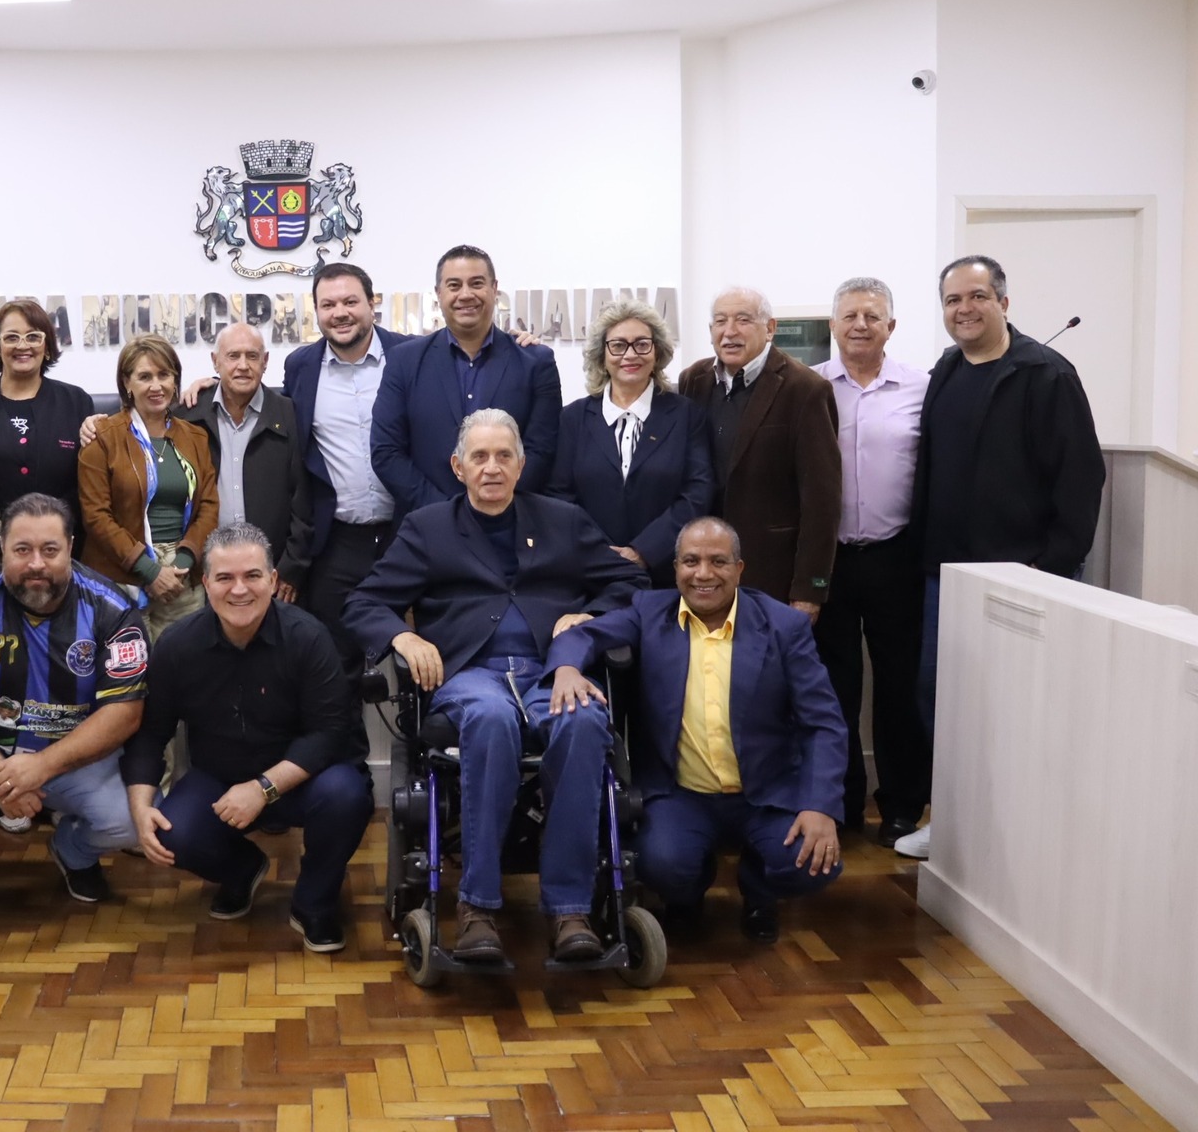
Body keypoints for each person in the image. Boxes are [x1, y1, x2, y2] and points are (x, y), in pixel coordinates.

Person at [344, 410, 645, 963]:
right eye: (479, 457)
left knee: (583, 722)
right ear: (458, 467)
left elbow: (631, 583)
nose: (491, 467)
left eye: (503, 455)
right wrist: (403, 639)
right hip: (469, 676)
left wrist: (588, 619)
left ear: (521, 464)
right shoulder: (429, 527)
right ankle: (477, 907)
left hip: (550, 670)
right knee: (490, 718)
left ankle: (570, 909)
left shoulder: (563, 520)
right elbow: (363, 602)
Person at [546, 518, 847, 943]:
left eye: (717, 561)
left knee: (815, 860)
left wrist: (820, 806)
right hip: (681, 794)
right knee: (661, 864)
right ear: (675, 569)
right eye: (691, 561)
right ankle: (687, 893)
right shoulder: (650, 613)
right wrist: (566, 669)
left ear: (740, 569)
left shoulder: (783, 627)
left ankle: (758, 888)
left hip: (767, 794)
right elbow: (585, 635)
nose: (703, 573)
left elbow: (824, 722)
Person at [898, 255, 1104, 860]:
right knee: (941, 697)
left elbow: (1080, 478)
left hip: (1026, 575)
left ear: (1004, 303)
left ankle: (1020, 838)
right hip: (946, 575)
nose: (964, 309)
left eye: (977, 297)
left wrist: (1055, 567)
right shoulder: (946, 370)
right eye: (953, 300)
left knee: (1019, 708)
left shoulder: (1046, 374)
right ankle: (956, 823)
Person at [0, 493, 147, 948]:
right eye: (22, 550)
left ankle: (73, 851)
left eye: (49, 550)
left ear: (71, 547)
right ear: (1, 546)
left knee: (133, 819)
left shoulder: (114, 609)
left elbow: (125, 713)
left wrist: (39, 768)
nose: (36, 563)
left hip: (71, 760)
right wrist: (1, 776)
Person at [129, 523, 371, 952]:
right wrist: (139, 807)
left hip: (304, 780)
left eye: (252, 576)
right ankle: (241, 870)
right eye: (224, 578)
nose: (239, 590)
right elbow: (150, 734)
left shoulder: (309, 638)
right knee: (171, 830)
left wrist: (263, 789)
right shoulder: (177, 646)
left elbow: (330, 734)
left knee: (348, 794)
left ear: (273, 581)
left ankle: (313, 902)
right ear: (205, 584)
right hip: (221, 780)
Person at [812, 278, 931, 845]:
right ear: (833, 324)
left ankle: (903, 805)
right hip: (827, 559)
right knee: (833, 687)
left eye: (873, 316)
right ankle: (840, 804)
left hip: (896, 556)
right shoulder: (809, 388)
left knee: (899, 686)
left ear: (891, 326)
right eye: (850, 315)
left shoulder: (922, 389)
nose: (860, 324)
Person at [677, 287, 841, 618]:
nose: (730, 331)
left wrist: (809, 589)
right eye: (720, 321)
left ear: (770, 328)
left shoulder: (805, 389)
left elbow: (821, 501)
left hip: (771, 574)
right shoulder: (693, 381)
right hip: (702, 574)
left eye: (743, 320)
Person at [280, 263, 413, 667]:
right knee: (336, 667)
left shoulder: (412, 354)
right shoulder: (300, 366)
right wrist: (208, 387)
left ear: (372, 304)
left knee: (419, 657)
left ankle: (416, 731)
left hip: (409, 534)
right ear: (316, 312)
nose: (340, 312)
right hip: (336, 543)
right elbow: (268, 407)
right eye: (328, 304)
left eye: (351, 301)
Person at [370, 245, 563, 519]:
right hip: (427, 529)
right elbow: (386, 452)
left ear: (495, 289)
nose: (465, 294)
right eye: (454, 285)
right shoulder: (405, 361)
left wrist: (492, 506)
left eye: (476, 283)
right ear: (439, 294)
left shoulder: (535, 362)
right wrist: (449, 514)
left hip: (511, 528)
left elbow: (541, 451)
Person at [549, 298, 714, 589]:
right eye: (618, 345)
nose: (630, 354)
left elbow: (697, 493)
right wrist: (601, 552)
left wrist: (644, 551)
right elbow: (560, 495)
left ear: (657, 352)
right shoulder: (573, 418)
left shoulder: (687, 415)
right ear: (601, 356)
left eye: (641, 344)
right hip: (591, 576)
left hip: (667, 576)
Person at [78, 335, 220, 640]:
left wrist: (182, 564)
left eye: (164, 375)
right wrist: (151, 571)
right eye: (145, 377)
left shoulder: (195, 437)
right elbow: (95, 516)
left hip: (182, 576)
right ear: (127, 383)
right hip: (120, 574)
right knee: (125, 675)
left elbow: (208, 506)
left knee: (182, 673)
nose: (156, 386)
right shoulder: (102, 436)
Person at [175, 322, 311, 594]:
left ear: (265, 362)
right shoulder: (188, 415)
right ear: (215, 362)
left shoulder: (289, 415)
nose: (243, 365)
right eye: (233, 356)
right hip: (204, 571)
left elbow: (304, 500)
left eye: (252, 356)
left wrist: (291, 568)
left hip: (271, 574)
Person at [0, 299, 98, 536]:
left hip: (62, 543)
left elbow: (89, 483)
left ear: (47, 346)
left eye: (33, 337)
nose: (23, 345)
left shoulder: (76, 401)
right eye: (11, 337)